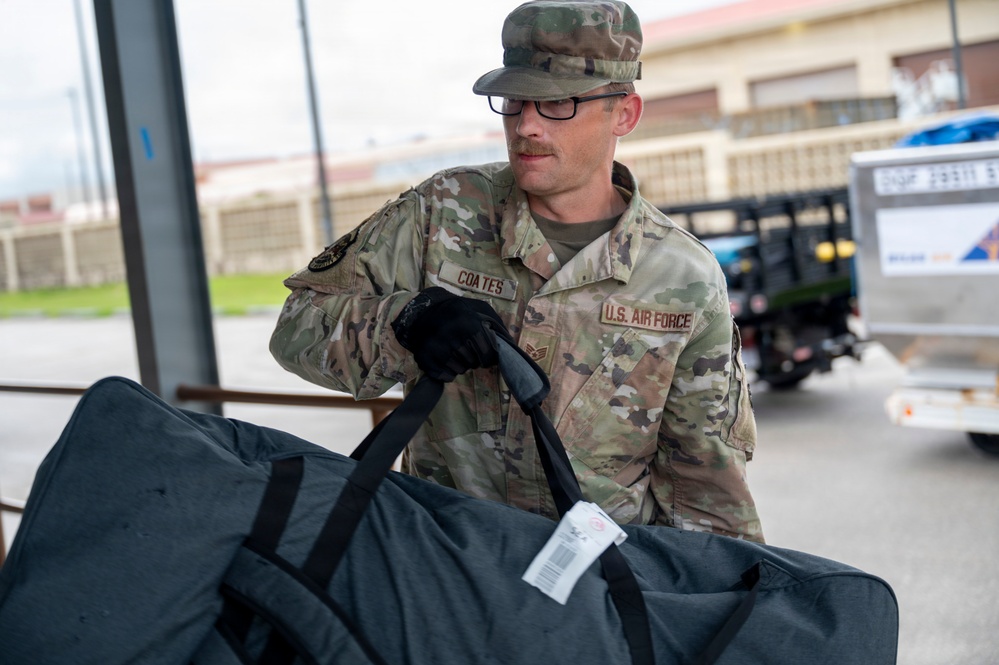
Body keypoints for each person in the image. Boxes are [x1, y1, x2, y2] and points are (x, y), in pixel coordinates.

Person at [270, 0, 764, 542]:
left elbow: (704, 485)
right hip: (443, 559)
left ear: (624, 113)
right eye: (515, 101)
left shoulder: (682, 277)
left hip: (592, 591)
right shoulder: (442, 212)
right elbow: (297, 327)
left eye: (560, 104)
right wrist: (406, 326)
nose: (526, 125)